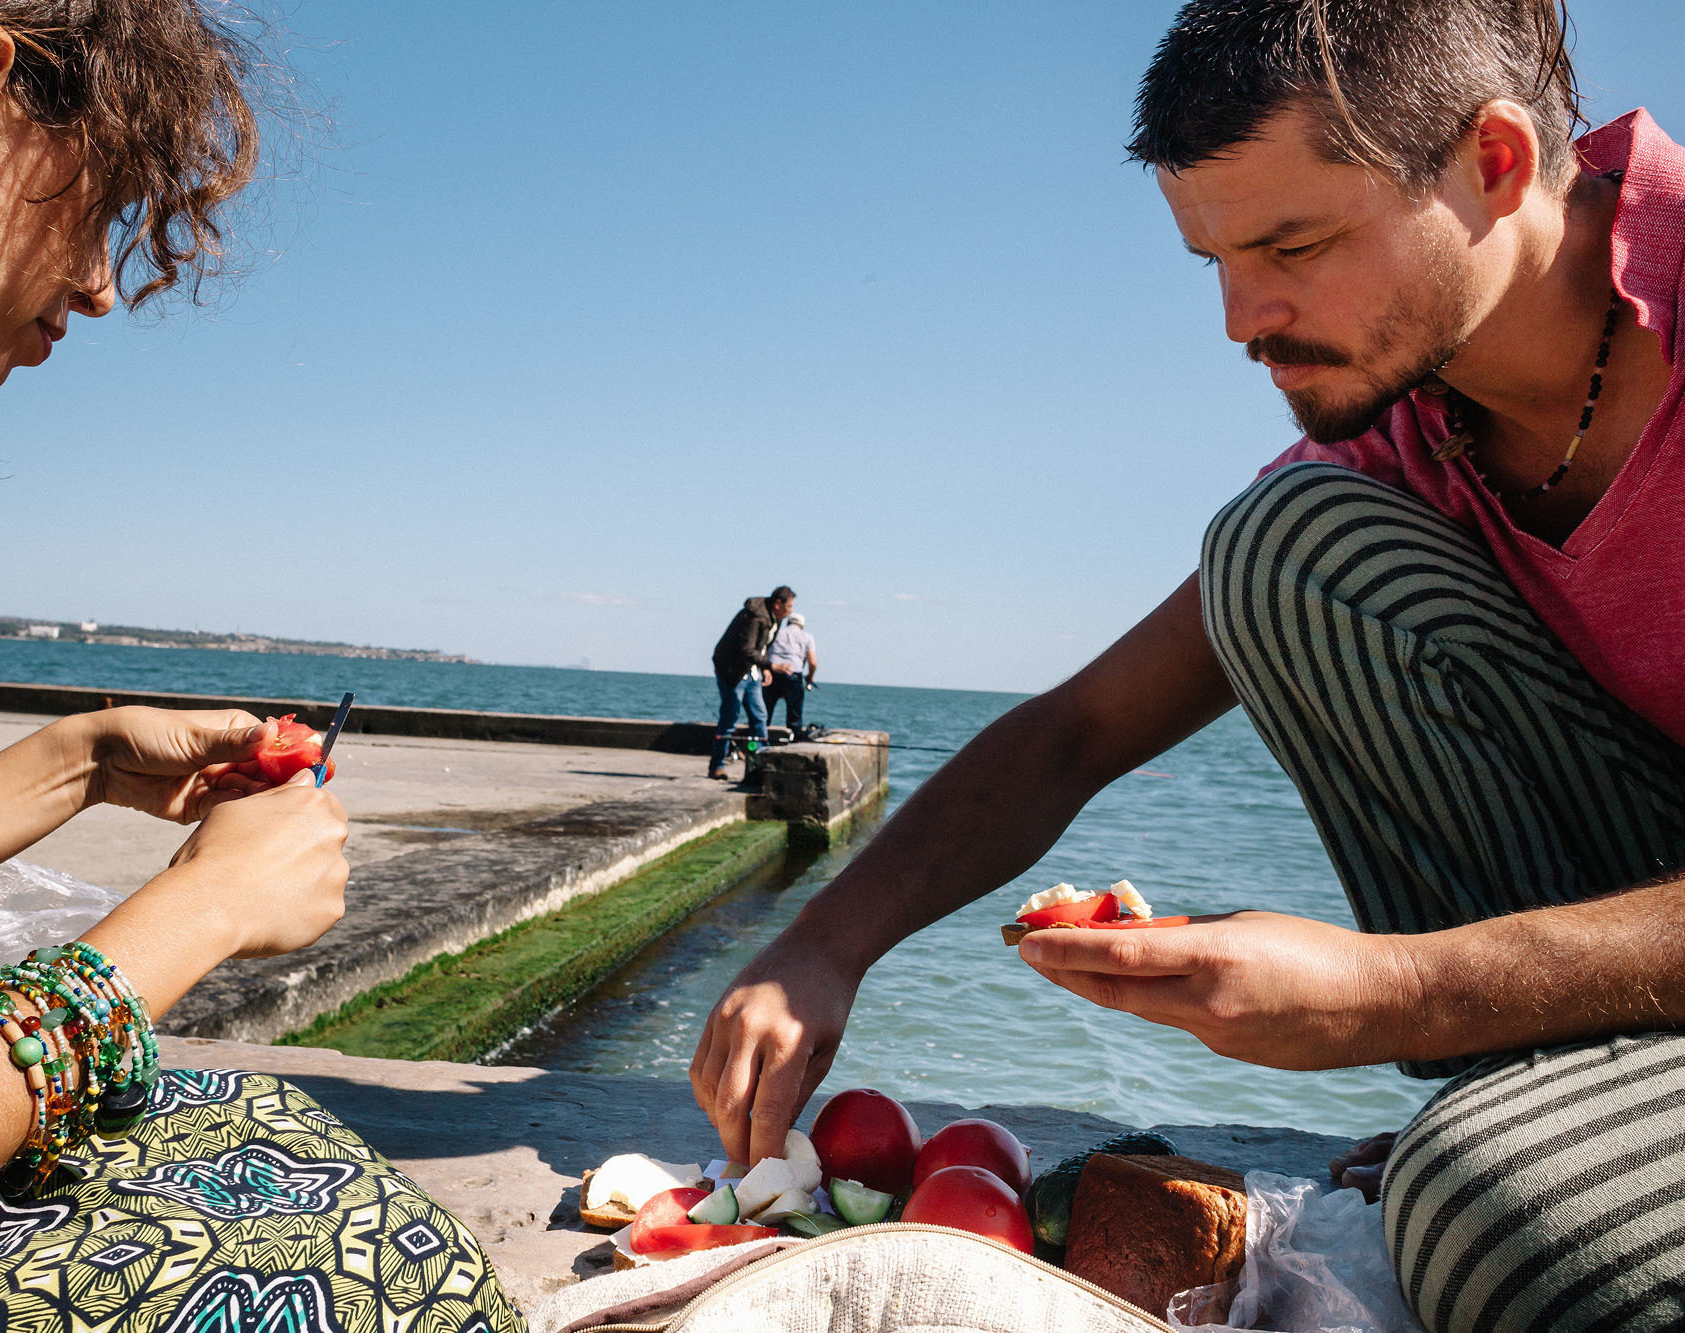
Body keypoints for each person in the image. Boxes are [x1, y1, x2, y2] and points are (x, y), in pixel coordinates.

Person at [690, 3, 1685, 1329]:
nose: (1237, 320)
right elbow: (1078, 730)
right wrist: (821, 945)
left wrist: (1393, 992)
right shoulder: (1412, 423)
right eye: (1212, 258)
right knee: (1279, 544)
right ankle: (1547, 1102)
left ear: (1492, 164)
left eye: (1293, 246)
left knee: (1497, 1224)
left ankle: (1526, 1138)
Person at [0, 7, 521, 1332]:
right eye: (104, 208)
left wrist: (69, 764)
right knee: (377, 1255)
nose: (98, 286)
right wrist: (205, 909)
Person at [707, 585, 793, 778]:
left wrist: (764, 668)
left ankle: (759, 762)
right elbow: (747, 649)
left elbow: (762, 646)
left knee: (759, 716)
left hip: (752, 671)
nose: (790, 611)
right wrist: (772, 666)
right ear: (778, 604)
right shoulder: (756, 617)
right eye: (789, 606)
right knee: (730, 717)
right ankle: (716, 765)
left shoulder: (775, 619)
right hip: (733, 671)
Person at [764, 611, 818, 732]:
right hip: (793, 673)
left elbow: (765, 652)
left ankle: (759, 735)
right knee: (794, 712)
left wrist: (766, 669)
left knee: (765, 710)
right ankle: (794, 736)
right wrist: (810, 677)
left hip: (773, 671)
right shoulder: (807, 637)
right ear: (802, 625)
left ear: (788, 622)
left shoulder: (776, 633)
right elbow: (813, 663)